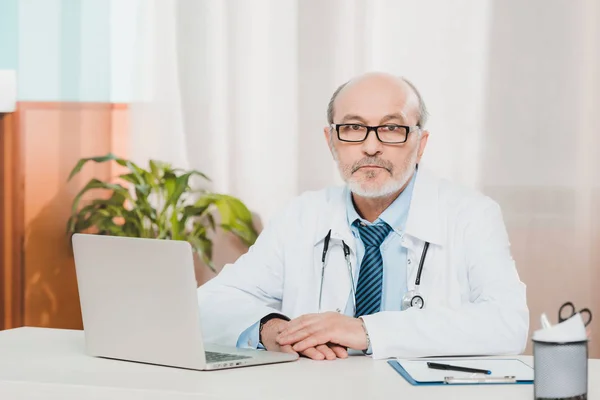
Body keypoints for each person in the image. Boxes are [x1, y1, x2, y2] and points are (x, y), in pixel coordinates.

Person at [197, 72, 529, 360]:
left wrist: (366, 330)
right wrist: (269, 330)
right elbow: (209, 303)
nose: (371, 147)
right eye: (354, 127)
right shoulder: (301, 216)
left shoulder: (471, 215)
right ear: (331, 141)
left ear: (420, 143)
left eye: (392, 128)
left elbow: (507, 323)